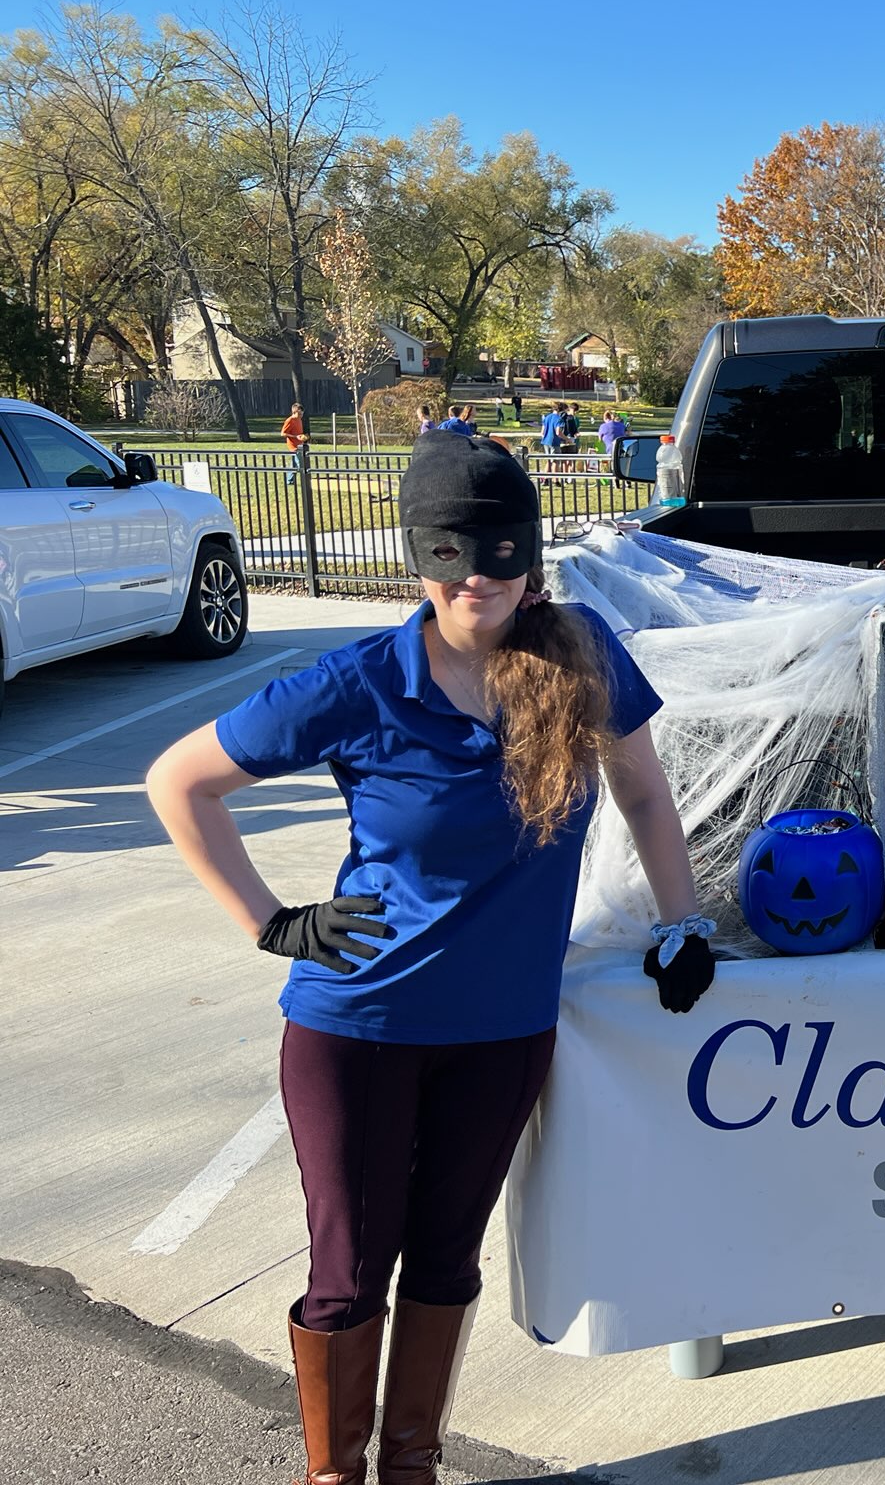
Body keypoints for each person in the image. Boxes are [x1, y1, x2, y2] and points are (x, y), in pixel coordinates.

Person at [145, 429, 717, 1485]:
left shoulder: (578, 651)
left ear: (531, 557)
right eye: (452, 553)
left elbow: (642, 792)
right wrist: (271, 922)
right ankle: (334, 1475)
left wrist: (680, 922)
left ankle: (412, 1465)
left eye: (501, 552)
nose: (479, 578)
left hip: (503, 1032)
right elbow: (178, 782)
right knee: (349, 1273)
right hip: (358, 1028)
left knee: (447, 1260)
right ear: (421, 556)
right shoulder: (357, 682)